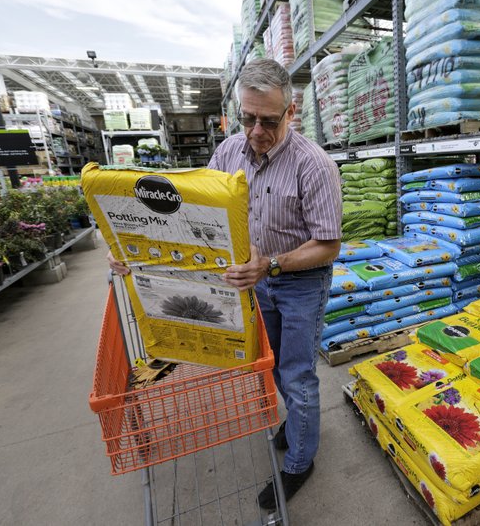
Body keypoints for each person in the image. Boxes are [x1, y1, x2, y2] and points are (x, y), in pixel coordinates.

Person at [108, 58, 342, 509]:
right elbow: (191, 215)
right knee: (271, 364)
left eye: (269, 120)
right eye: (247, 117)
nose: (256, 130)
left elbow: (328, 246)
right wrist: (134, 251)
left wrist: (270, 265)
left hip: (299, 284)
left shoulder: (313, 166)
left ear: (291, 112)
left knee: (297, 375)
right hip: (251, 284)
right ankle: (296, 424)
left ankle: (300, 461)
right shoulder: (228, 153)